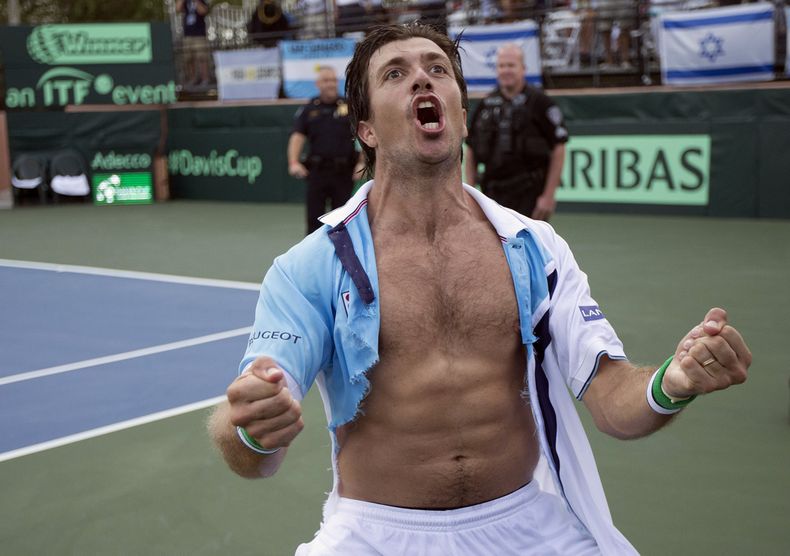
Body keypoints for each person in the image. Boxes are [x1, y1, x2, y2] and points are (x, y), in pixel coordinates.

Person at [208, 22, 752, 555]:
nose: (423, 80)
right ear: (367, 129)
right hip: (374, 534)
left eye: (438, 69)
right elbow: (247, 442)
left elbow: (611, 398)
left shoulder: (535, 248)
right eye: (396, 74)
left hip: (526, 524)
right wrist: (253, 428)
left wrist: (673, 381)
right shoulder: (311, 266)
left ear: (461, 116)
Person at [465, 43, 568, 221]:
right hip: (492, 195)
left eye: (511, 65)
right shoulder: (485, 105)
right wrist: (470, 193)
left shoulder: (541, 103)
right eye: (501, 66)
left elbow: (558, 148)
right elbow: (471, 149)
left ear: (523, 69)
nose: (506, 70)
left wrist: (548, 196)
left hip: (529, 194)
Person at [287, 66, 362, 235]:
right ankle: (314, 259)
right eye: (326, 80)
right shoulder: (309, 109)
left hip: (344, 173)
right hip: (317, 172)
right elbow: (297, 136)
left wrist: (362, 163)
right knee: (314, 221)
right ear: (318, 84)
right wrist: (293, 162)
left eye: (334, 80)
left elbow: (362, 135)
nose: (331, 84)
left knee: (343, 221)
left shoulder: (349, 106)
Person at [176, 0, 212, 86]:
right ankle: (193, 79)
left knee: (202, 57)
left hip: (199, 35)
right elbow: (177, 9)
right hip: (187, 34)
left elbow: (203, 11)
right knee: (189, 58)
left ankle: (205, 79)